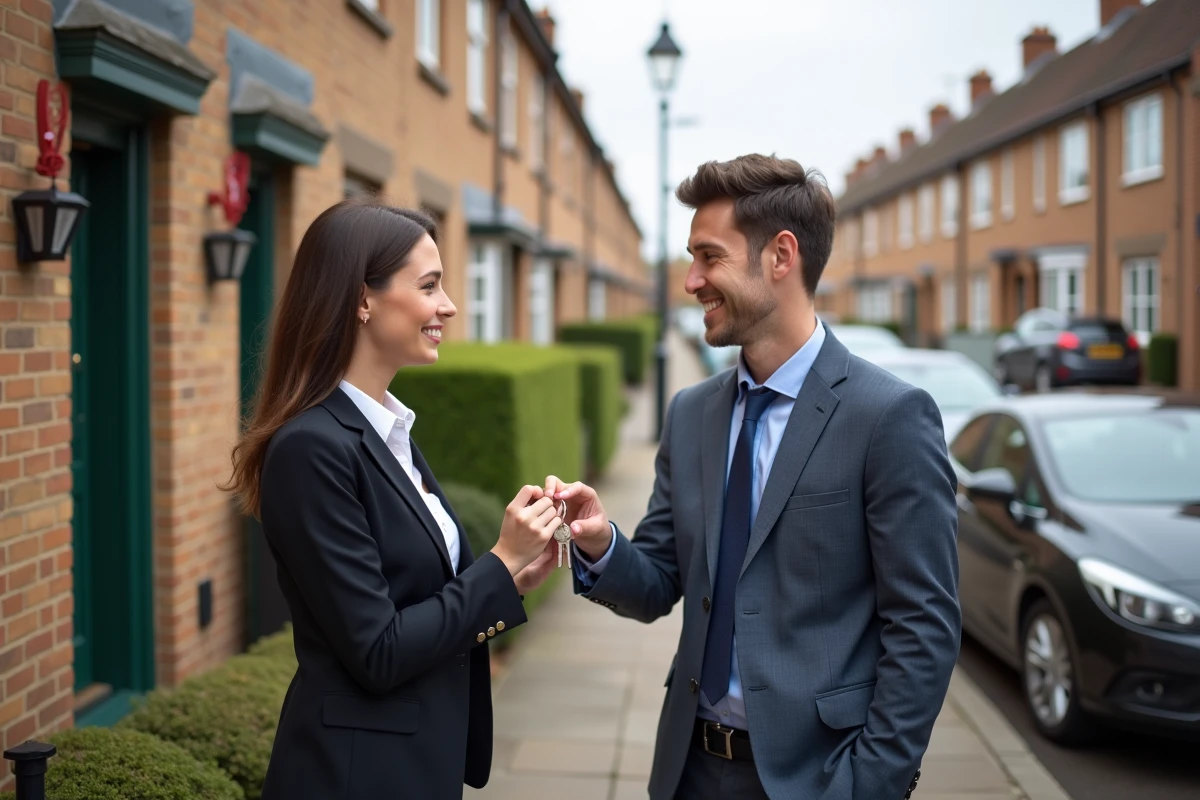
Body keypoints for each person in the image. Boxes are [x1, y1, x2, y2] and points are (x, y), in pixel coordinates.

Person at [545, 154, 960, 799]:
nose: (690, 281)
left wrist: (869, 785)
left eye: (709, 257)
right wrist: (600, 542)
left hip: (817, 778)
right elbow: (658, 584)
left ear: (781, 256)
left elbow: (925, 627)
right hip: (689, 770)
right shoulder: (690, 414)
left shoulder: (889, 418)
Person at [223, 199, 560, 799]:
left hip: (412, 761)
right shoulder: (311, 448)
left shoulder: (386, 431)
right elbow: (378, 650)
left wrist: (512, 574)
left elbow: (411, 594)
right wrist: (498, 564)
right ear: (362, 299)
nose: (449, 305)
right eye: (429, 285)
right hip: (356, 775)